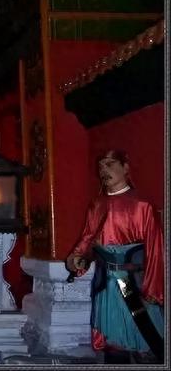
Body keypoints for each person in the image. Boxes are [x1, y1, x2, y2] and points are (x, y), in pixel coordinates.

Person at [66, 149, 164, 363]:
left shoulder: (143, 206)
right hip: (106, 285)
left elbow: (156, 251)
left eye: (109, 164)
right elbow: (87, 239)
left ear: (125, 167)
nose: (104, 170)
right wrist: (78, 258)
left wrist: (152, 290)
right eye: (100, 166)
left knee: (141, 340)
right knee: (113, 345)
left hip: (133, 284)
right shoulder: (97, 205)